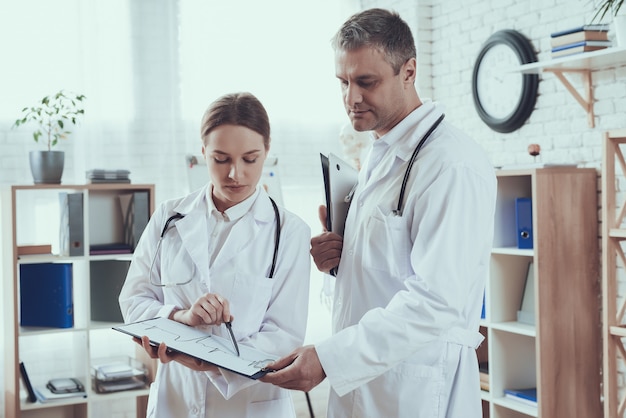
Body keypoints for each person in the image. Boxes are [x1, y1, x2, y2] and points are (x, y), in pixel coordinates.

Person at [260, 8, 497, 418]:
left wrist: (328, 359)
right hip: (366, 386)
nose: (351, 98)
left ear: (409, 72)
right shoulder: (380, 153)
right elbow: (390, 267)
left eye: (366, 82)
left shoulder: (450, 164)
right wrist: (339, 259)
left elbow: (436, 302)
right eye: (344, 82)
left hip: (417, 391)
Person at [119, 92, 311, 418]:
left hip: (249, 404)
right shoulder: (169, 217)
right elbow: (133, 302)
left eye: (250, 159)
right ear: (203, 152)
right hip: (175, 400)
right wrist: (182, 318)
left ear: (266, 151)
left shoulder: (290, 232)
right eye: (221, 159)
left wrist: (206, 359)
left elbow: (283, 336)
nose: (235, 174)